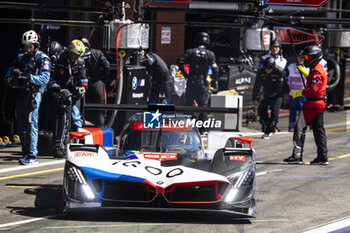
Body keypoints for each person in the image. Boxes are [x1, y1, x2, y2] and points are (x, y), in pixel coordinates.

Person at [4, 30, 51, 165]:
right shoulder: (21, 56)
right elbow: (12, 69)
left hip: (33, 94)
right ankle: (25, 152)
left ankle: (32, 155)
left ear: (36, 45)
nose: (27, 48)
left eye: (30, 46)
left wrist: (29, 78)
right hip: (21, 93)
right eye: (25, 46)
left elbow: (45, 78)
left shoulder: (43, 58)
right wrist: (9, 78)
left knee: (31, 125)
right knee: (21, 124)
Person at [284, 45, 328, 165]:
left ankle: (297, 156)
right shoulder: (319, 68)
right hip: (319, 103)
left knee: (299, 128)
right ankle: (322, 157)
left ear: (315, 57)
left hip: (312, 104)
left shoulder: (316, 71)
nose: (306, 59)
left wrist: (299, 92)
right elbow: (314, 80)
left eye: (308, 57)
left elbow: (313, 89)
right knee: (319, 130)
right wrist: (304, 73)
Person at [50, 39, 87, 158]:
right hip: (57, 93)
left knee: (72, 119)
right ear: (70, 51)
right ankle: (58, 146)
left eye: (78, 55)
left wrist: (83, 88)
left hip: (72, 94)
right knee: (60, 120)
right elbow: (49, 78)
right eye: (75, 54)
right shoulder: (58, 59)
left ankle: (66, 145)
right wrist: (58, 90)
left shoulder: (80, 62)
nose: (76, 57)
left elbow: (83, 78)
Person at [176, 32, 219, 133]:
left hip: (191, 82)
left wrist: (185, 74)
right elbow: (215, 68)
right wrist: (214, 81)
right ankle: (203, 129)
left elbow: (179, 61)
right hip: (203, 83)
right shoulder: (210, 54)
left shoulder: (190, 52)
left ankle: (186, 127)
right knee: (203, 107)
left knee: (188, 106)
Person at [252, 57, 286, 139]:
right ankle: (269, 124)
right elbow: (257, 85)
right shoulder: (261, 72)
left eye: (269, 69)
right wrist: (254, 98)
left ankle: (269, 130)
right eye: (266, 69)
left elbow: (279, 88)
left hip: (278, 94)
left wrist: (265, 95)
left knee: (275, 110)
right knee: (262, 108)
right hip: (267, 93)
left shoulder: (279, 72)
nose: (267, 71)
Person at [81, 38, 110, 127]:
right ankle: (102, 126)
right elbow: (107, 66)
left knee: (80, 106)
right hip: (96, 82)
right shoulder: (97, 52)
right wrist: (102, 77)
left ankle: (81, 126)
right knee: (101, 107)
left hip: (82, 83)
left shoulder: (78, 53)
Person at [286, 50, 309, 132]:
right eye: (299, 57)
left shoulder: (308, 68)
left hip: (303, 93)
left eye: (302, 57)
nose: (300, 59)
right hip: (293, 93)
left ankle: (302, 126)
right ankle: (291, 126)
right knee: (293, 109)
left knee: (302, 110)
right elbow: (285, 79)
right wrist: (286, 92)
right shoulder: (290, 67)